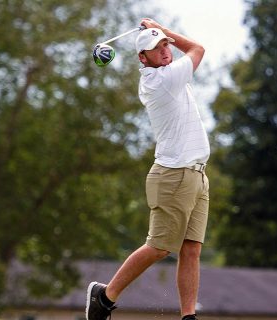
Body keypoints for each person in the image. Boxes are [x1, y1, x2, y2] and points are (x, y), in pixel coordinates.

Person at [86, 18, 210, 320]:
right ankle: (104, 297)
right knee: (158, 247)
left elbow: (187, 52)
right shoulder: (162, 81)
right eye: (157, 48)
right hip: (173, 176)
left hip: (196, 174)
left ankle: (188, 316)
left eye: (166, 45)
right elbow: (197, 48)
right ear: (143, 58)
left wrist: (162, 34)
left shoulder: (169, 73)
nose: (166, 50)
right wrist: (166, 30)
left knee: (191, 249)